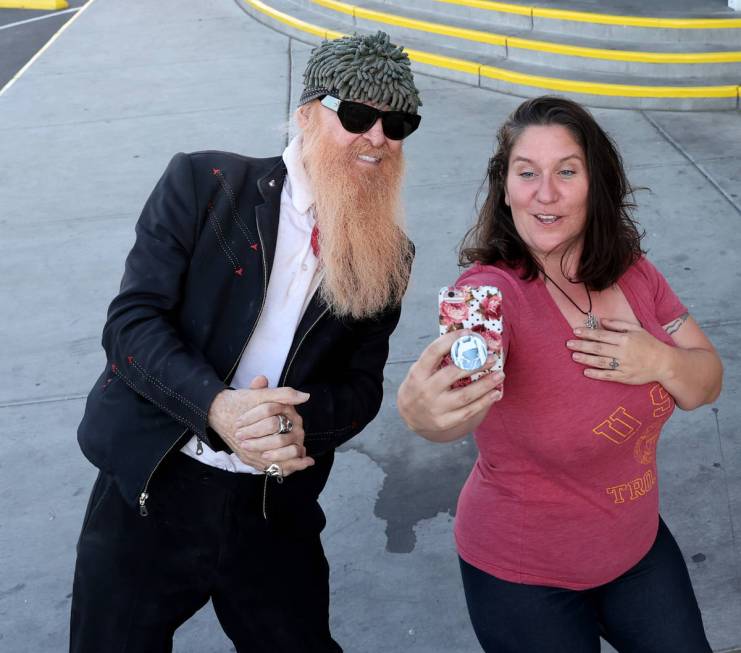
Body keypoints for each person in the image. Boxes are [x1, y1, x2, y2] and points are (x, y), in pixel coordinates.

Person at [70, 31, 420, 653]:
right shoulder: (204, 184)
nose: (377, 138)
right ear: (309, 113)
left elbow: (362, 386)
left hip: (271, 505)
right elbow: (131, 325)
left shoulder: (389, 254)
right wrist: (218, 409)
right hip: (155, 486)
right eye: (359, 115)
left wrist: (294, 428)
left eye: (397, 125)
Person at [397, 96, 723, 653]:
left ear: (596, 182)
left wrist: (660, 360)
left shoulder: (636, 272)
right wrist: (422, 413)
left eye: (566, 172)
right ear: (505, 187)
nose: (545, 193)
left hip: (638, 549)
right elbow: (454, 403)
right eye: (527, 173)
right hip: (524, 573)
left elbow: (706, 381)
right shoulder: (491, 295)